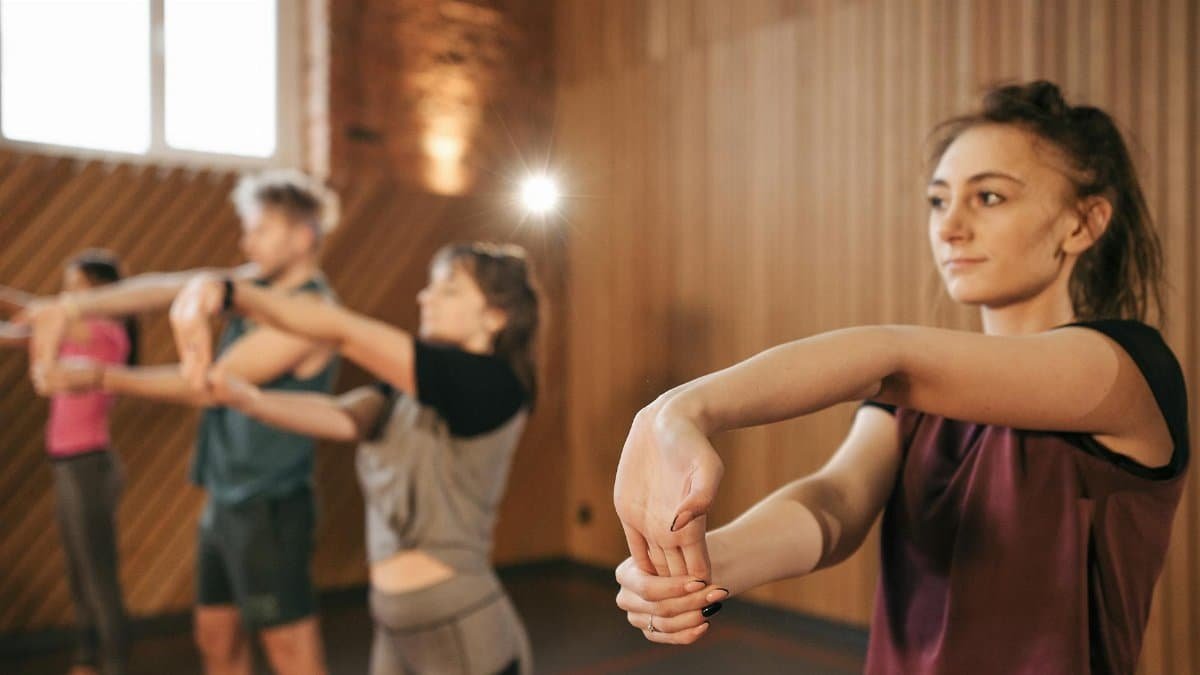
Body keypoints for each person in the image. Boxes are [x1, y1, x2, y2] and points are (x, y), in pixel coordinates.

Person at [611, 81, 1188, 675]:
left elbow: (891, 358)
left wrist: (679, 411)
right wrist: (702, 569)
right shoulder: (916, 400)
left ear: (1083, 223)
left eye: (988, 198)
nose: (950, 227)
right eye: (939, 201)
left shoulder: (1129, 368)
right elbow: (837, 500)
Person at [169, 242, 540, 675]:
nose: (425, 297)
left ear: (496, 316)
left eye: (448, 290)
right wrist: (247, 399)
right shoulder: (408, 389)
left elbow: (341, 331)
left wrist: (230, 293)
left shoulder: (493, 384)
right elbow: (342, 417)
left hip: (460, 626)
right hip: (392, 624)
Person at [26, 170, 341, 675]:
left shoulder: (313, 311)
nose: (247, 241)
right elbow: (162, 288)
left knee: (289, 650)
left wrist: (100, 376)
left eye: (260, 230)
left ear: (303, 237)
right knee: (215, 638)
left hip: (270, 507)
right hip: (224, 499)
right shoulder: (252, 284)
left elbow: (211, 382)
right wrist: (72, 304)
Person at [3, 252, 137, 675]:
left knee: (99, 574)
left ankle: (114, 664)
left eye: (74, 285)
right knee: (77, 570)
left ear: (99, 289)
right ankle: (86, 658)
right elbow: (16, 333)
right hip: (65, 464)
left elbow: (35, 312)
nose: (66, 293)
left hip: (90, 466)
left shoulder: (105, 330)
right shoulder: (66, 329)